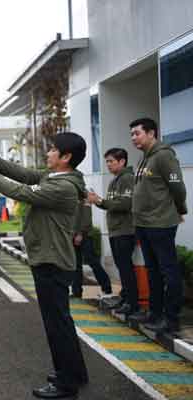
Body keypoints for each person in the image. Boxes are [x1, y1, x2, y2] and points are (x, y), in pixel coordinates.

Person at [0, 132, 88, 399]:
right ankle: (75, 373)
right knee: (62, 323)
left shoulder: (64, 187)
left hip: (52, 262)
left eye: (53, 150)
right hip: (50, 259)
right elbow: (22, 174)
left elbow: (19, 191)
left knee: (56, 325)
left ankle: (66, 385)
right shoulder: (55, 177)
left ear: (66, 157)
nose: (48, 153)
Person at [128, 118, 187, 333]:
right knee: (152, 271)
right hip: (143, 223)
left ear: (151, 133)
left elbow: (178, 187)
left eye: (137, 133)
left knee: (167, 271)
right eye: (132, 134)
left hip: (160, 223)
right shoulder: (145, 159)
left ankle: (171, 319)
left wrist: (180, 209)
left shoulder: (163, 155)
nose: (134, 138)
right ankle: (155, 313)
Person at [88, 148, 138, 316]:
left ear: (122, 161)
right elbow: (111, 204)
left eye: (111, 161)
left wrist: (100, 200)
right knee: (121, 267)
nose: (108, 165)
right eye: (107, 161)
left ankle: (132, 302)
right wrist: (98, 201)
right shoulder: (114, 181)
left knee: (125, 267)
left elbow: (125, 204)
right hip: (115, 230)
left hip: (126, 230)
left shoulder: (128, 179)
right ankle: (125, 298)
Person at [71, 198, 113, 300]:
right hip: (73, 235)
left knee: (92, 261)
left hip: (84, 235)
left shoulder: (84, 195)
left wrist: (80, 233)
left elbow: (86, 216)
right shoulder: (70, 193)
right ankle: (76, 292)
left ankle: (107, 287)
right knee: (76, 264)